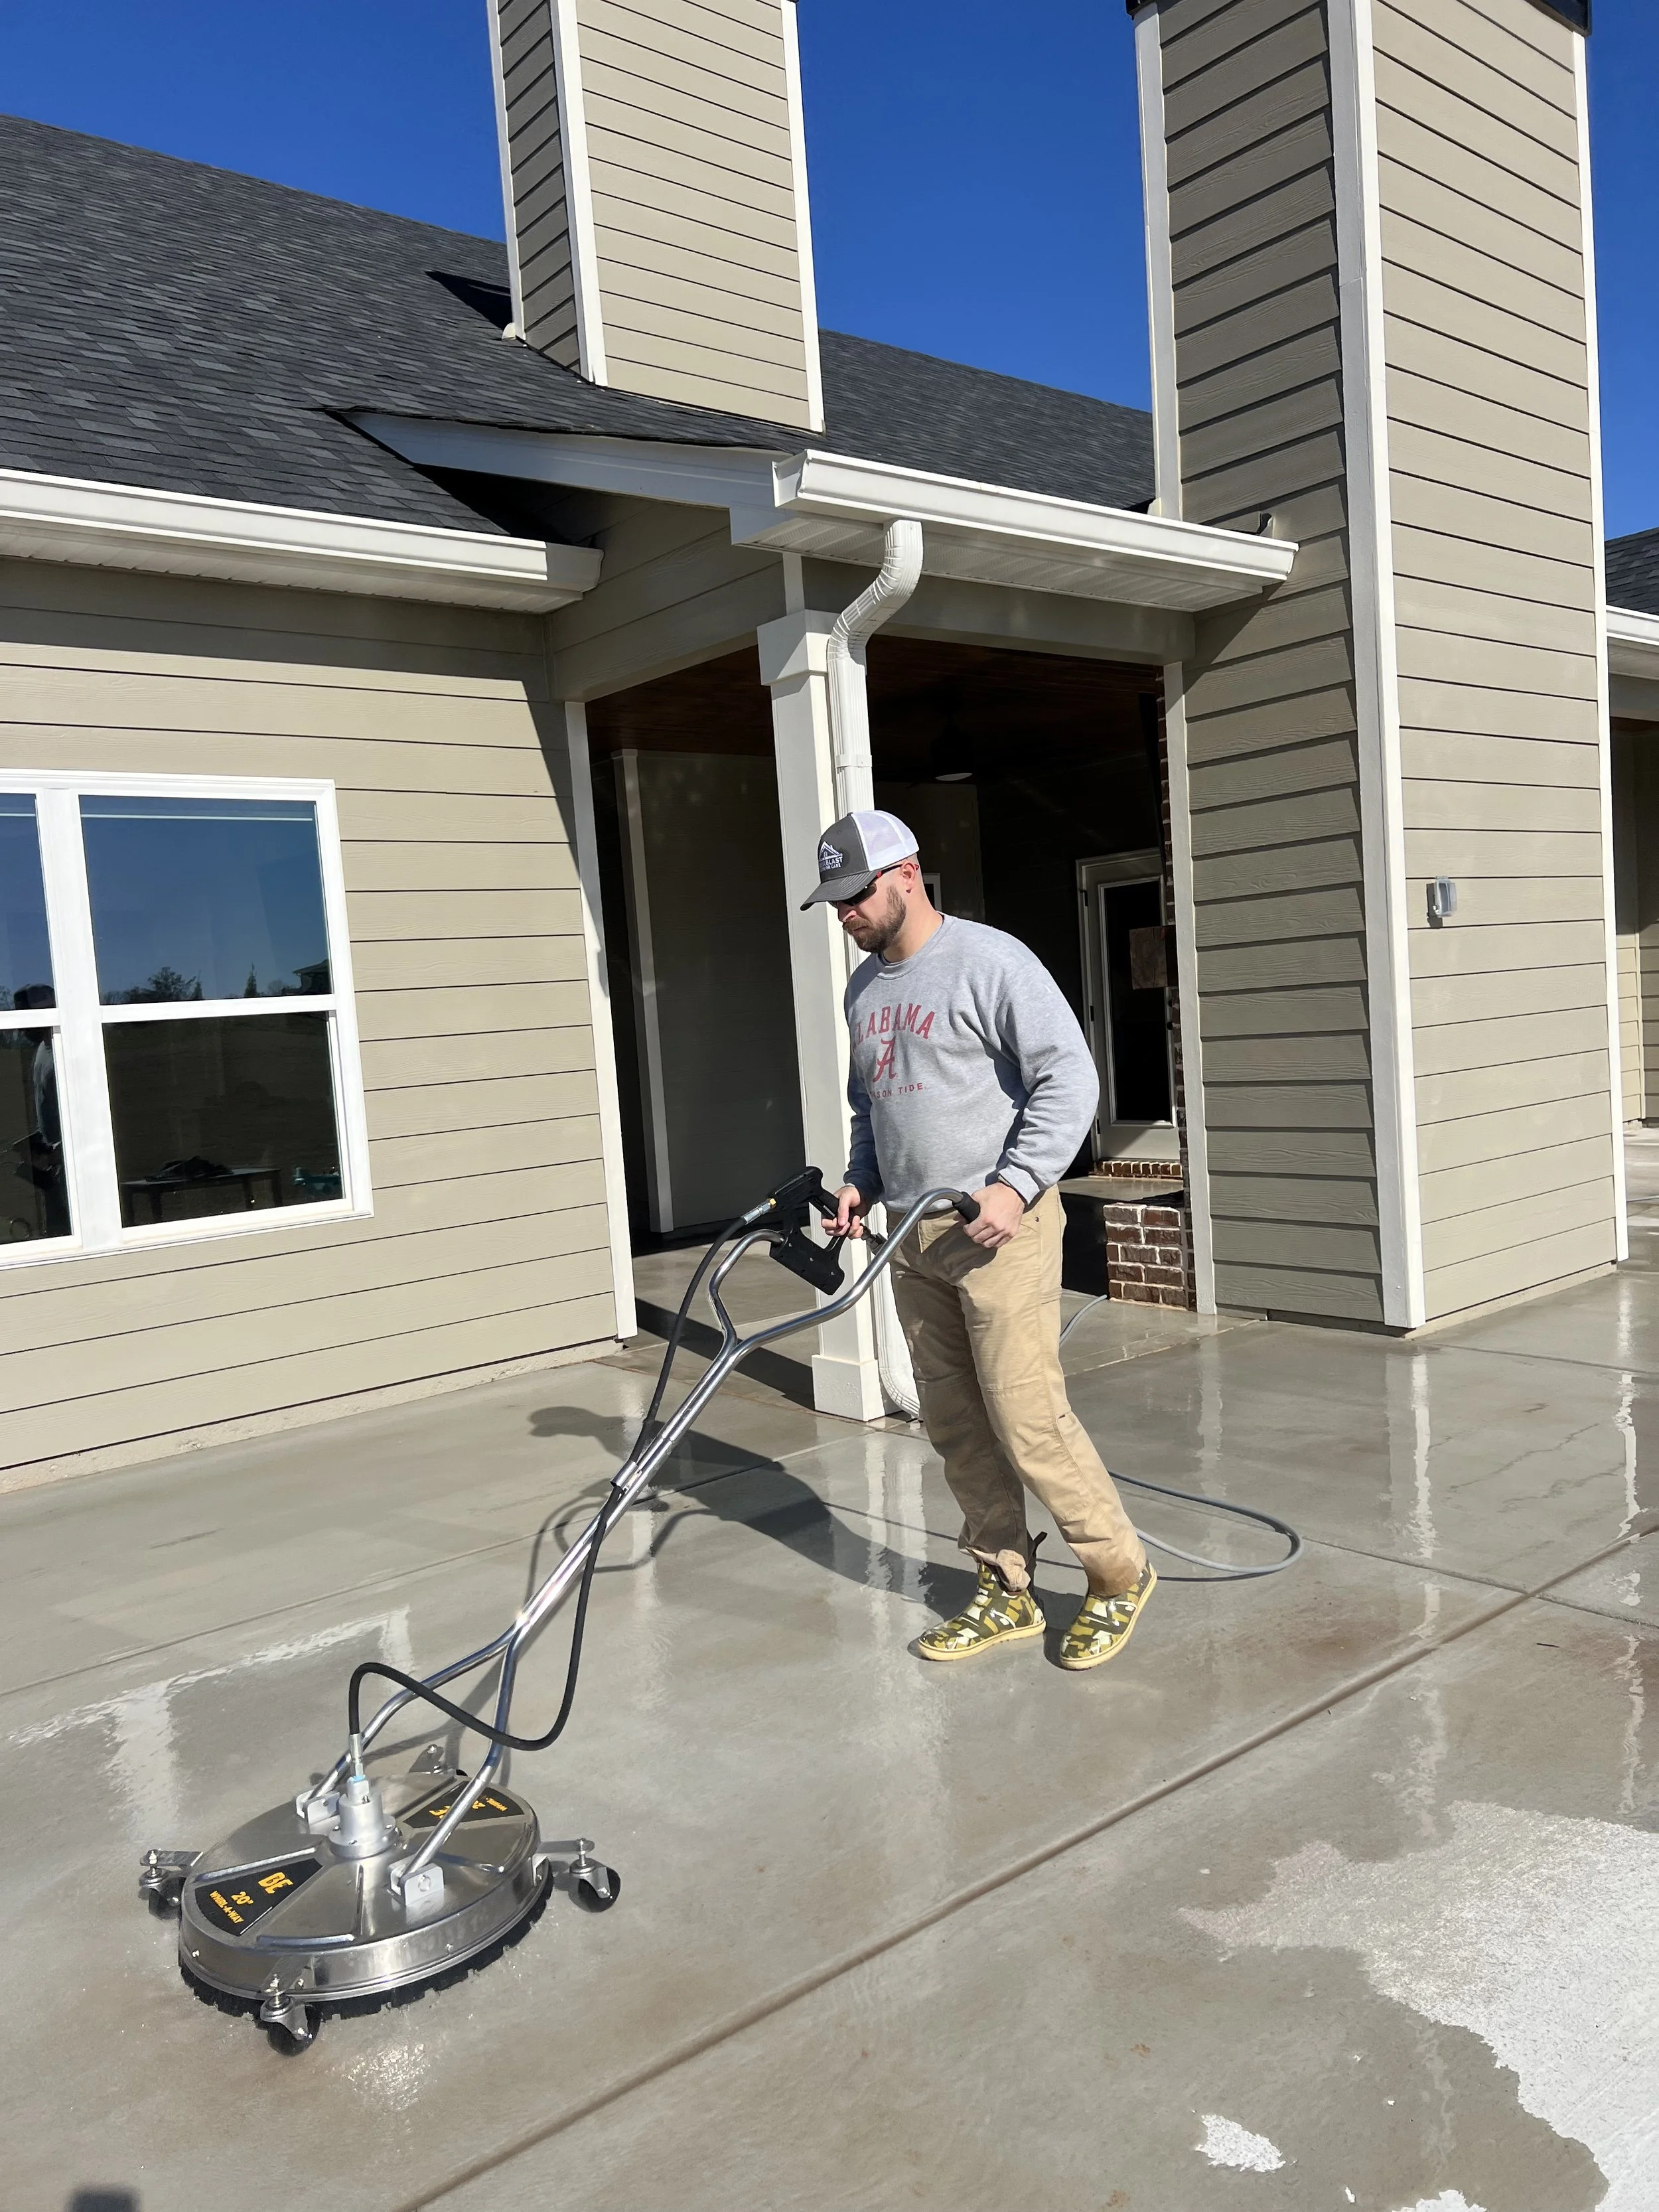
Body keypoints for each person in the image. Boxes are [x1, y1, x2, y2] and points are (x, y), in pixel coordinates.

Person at [801, 809, 1155, 1670]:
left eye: (857, 896)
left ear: (908, 875)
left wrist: (1017, 1181)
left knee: (1028, 1418)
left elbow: (1067, 1079)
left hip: (1000, 1230)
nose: (845, 915)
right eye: (834, 902)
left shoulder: (991, 961)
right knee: (956, 1425)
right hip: (910, 1240)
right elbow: (873, 1109)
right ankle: (1006, 1588)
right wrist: (861, 1182)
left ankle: (1118, 1575)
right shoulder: (864, 989)